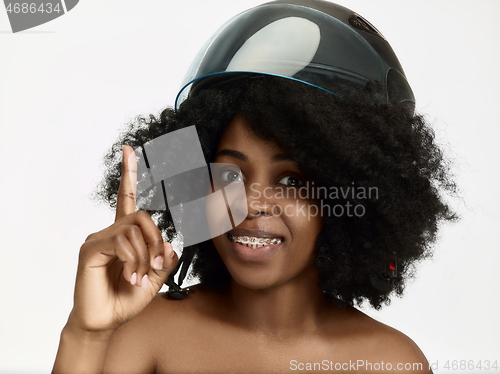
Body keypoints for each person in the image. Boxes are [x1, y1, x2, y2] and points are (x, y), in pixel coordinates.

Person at [53, 1, 456, 373]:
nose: (249, 203)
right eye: (229, 173)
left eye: (291, 181)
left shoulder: (391, 362)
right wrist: (86, 334)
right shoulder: (148, 332)